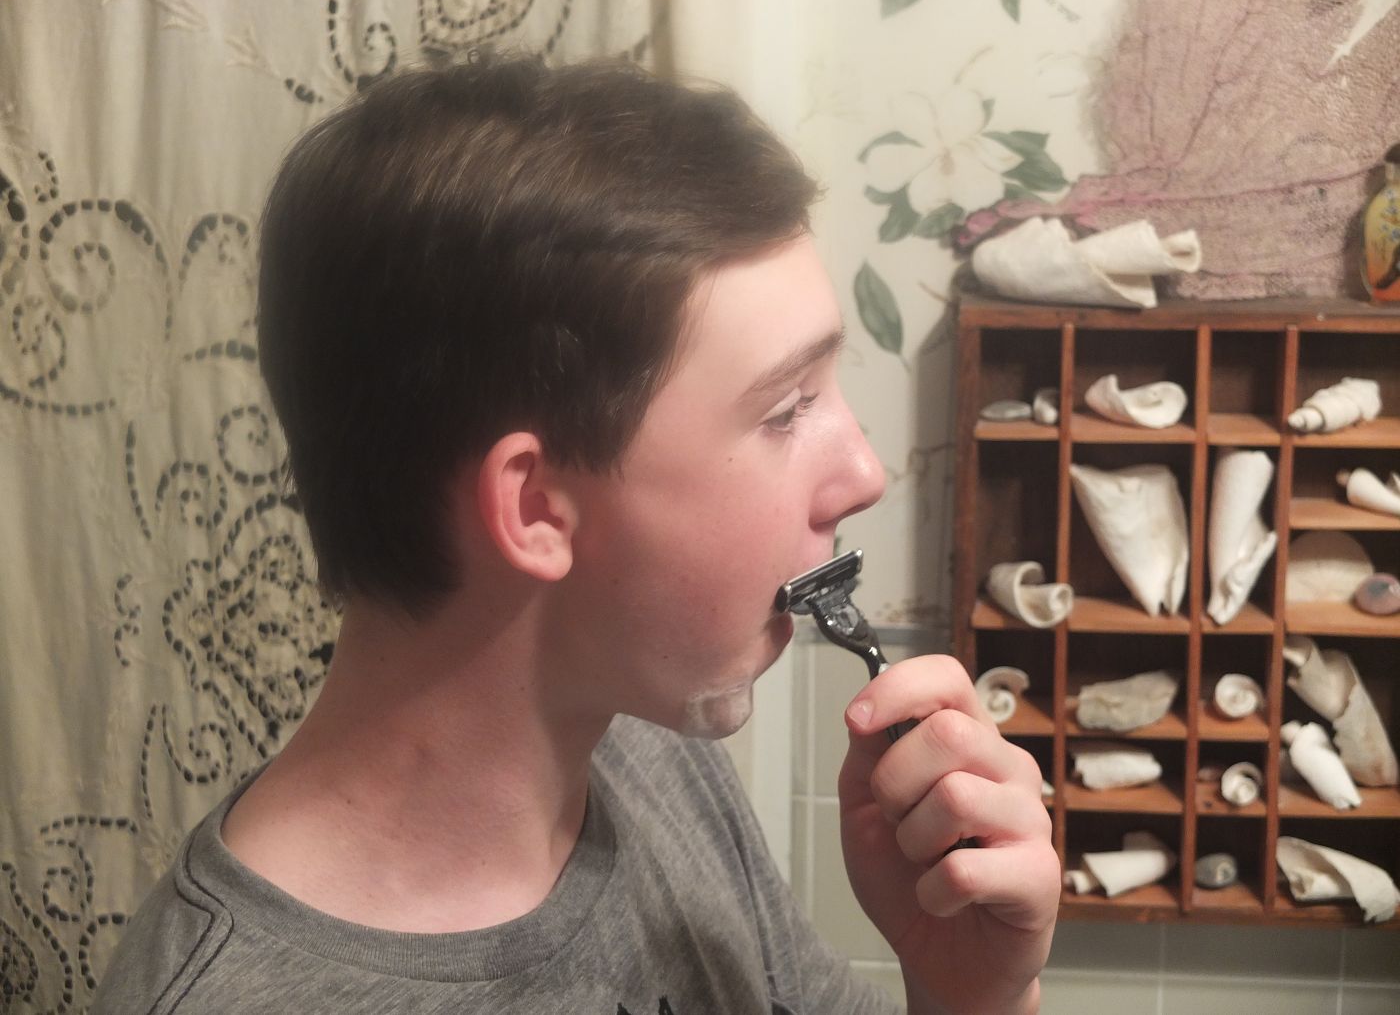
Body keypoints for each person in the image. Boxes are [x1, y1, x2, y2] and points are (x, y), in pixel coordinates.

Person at [94, 52, 1058, 1013]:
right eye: (785, 410)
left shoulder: (647, 755)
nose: (865, 474)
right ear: (536, 510)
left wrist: (968, 994)